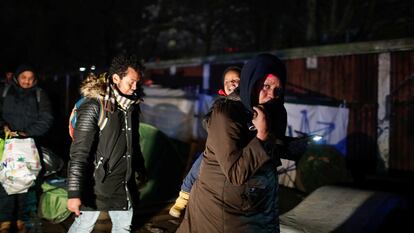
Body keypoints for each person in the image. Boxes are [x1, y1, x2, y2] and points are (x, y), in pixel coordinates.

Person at [176, 53, 287, 233]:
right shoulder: (226, 113)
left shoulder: (271, 112)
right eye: (266, 86)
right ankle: (182, 195)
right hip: (221, 215)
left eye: (278, 89)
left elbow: (268, 154)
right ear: (251, 82)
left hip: (254, 209)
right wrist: (262, 135)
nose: (272, 95)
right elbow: (236, 173)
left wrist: (289, 146)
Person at [66, 54, 147, 233]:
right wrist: (74, 192)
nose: (135, 88)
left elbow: (132, 142)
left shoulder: (131, 106)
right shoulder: (93, 105)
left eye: (137, 83)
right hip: (96, 182)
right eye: (131, 82)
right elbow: (79, 153)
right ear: (116, 78)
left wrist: (139, 167)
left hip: (123, 181)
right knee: (84, 225)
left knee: (124, 226)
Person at [169, 66, 241, 218]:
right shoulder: (220, 103)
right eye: (227, 81)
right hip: (215, 148)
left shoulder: (247, 104)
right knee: (198, 166)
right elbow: (206, 121)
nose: (231, 83)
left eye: (236, 80)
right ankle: (183, 197)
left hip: (236, 150)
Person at [0, 65, 54, 233]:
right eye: (24, 77)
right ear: (17, 77)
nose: (27, 81)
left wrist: (27, 132)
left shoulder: (40, 94)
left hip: (28, 144)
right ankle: (5, 220)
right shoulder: (5, 91)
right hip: (5, 143)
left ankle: (22, 219)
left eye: (31, 78)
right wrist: (3, 127)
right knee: (4, 180)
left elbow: (46, 118)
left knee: (27, 181)